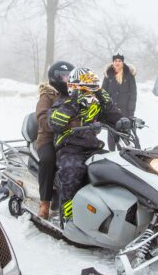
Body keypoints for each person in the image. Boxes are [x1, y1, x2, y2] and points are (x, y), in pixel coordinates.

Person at [48, 67, 128, 224]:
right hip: (69, 149)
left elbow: (114, 118)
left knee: (116, 166)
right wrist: (74, 104)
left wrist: (120, 117)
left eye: (93, 90)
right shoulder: (62, 104)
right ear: (75, 89)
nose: (90, 94)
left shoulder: (95, 105)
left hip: (93, 148)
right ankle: (68, 216)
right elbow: (55, 123)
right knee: (72, 170)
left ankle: (111, 211)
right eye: (86, 90)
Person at [35, 60, 74, 219]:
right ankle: (45, 202)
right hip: (48, 139)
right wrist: (57, 125)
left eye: (68, 76)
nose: (65, 79)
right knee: (48, 160)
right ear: (55, 77)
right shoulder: (47, 95)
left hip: (70, 138)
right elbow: (42, 117)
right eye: (62, 76)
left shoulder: (74, 94)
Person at [102, 54, 137, 151]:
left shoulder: (129, 76)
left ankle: (124, 155)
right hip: (111, 110)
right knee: (112, 135)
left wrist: (131, 112)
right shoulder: (108, 75)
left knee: (125, 135)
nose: (117, 62)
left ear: (122, 62)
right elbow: (103, 93)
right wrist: (104, 108)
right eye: (115, 61)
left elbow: (133, 95)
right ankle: (112, 154)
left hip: (125, 111)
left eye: (119, 61)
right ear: (113, 62)